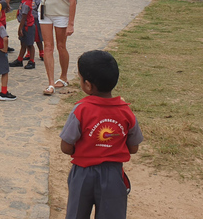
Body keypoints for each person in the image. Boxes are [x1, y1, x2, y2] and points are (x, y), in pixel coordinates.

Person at [59, 50, 143, 219]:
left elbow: (66, 147)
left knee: (76, 214)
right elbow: (133, 148)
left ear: (88, 85)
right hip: (113, 175)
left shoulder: (81, 109)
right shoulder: (126, 111)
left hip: (82, 174)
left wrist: (87, 150)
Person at [10, 0, 77, 96]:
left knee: (61, 46)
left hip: (61, 13)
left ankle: (64, 76)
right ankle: (50, 83)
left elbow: (73, 0)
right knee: (48, 46)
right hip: (45, 11)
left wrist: (71, 23)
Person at [10, 0, 40, 70]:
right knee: (23, 43)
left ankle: (32, 61)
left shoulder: (27, 3)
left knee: (30, 44)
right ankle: (19, 60)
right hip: (25, 25)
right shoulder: (25, 1)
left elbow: (24, 17)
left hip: (28, 26)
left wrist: (20, 29)